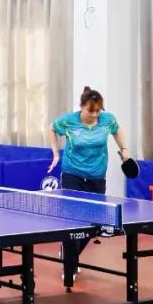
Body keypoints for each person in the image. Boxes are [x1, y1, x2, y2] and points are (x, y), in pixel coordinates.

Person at [49, 86, 130, 282]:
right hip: (72, 174)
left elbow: (117, 130)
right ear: (82, 107)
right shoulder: (69, 121)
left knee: (94, 222)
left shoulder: (107, 119)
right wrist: (55, 153)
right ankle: (70, 266)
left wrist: (124, 149)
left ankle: (70, 254)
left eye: (97, 111)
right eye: (90, 111)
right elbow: (52, 128)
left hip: (96, 176)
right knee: (73, 221)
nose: (94, 115)